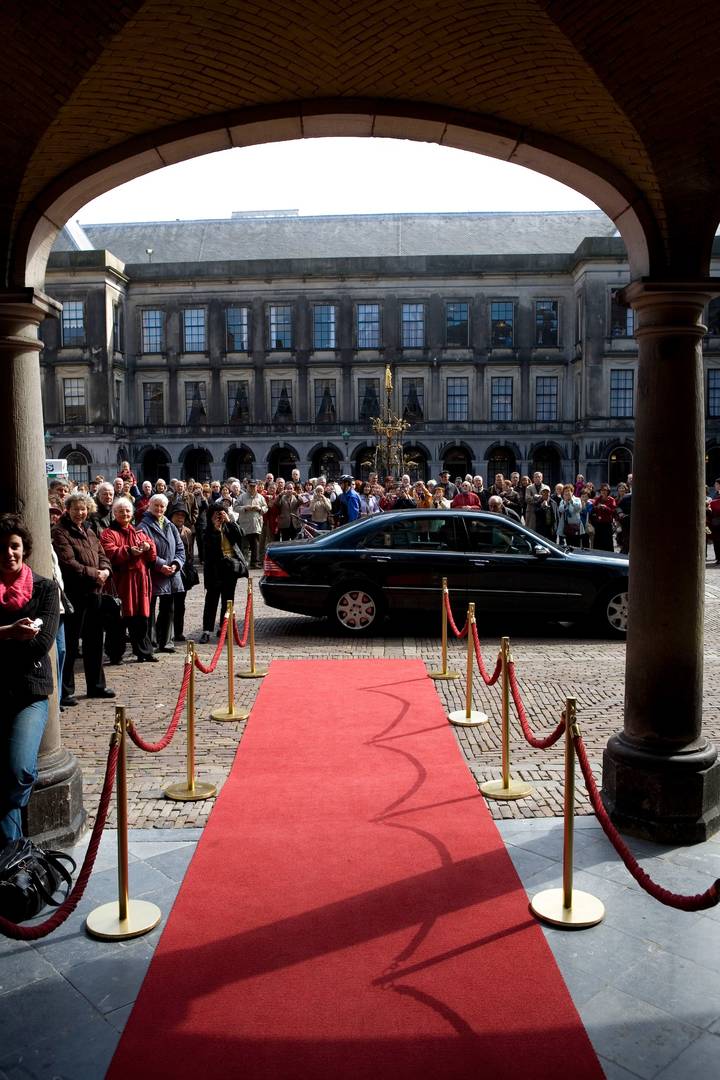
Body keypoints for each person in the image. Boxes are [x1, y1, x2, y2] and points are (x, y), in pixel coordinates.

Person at [0, 515, 60, 843]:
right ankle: (14, 858)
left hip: (29, 691)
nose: (9, 553)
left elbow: (40, 643)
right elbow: (25, 641)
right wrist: (10, 632)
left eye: (14, 546)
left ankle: (13, 852)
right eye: (3, 547)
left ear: (24, 549)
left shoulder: (45, 589)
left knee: (17, 770)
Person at [52, 492, 114, 704]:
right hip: (75, 594)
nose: (80, 513)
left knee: (95, 641)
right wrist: (94, 573)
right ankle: (66, 690)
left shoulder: (89, 531)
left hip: (95, 592)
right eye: (76, 509)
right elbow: (68, 563)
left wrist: (105, 570)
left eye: (84, 509)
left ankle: (96, 685)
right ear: (68, 510)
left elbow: (102, 554)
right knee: (69, 643)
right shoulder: (60, 532)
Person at [100, 497, 158, 662]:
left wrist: (148, 548)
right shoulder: (108, 533)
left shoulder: (138, 532)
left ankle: (144, 652)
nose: (124, 514)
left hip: (140, 582)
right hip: (121, 583)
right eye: (120, 511)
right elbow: (109, 552)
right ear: (114, 514)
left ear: (132, 514)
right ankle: (115, 653)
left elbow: (152, 554)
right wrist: (128, 551)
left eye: (127, 511)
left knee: (141, 618)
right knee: (118, 620)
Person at [139, 493, 186, 653]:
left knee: (168, 608)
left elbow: (180, 548)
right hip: (153, 573)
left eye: (162, 506)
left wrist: (175, 564)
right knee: (150, 610)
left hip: (171, 574)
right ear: (149, 506)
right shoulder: (143, 526)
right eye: (156, 505)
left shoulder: (170, 525)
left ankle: (166, 641)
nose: (159, 509)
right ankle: (150, 642)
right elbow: (144, 553)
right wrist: (161, 565)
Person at [200, 504, 248, 643]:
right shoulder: (207, 529)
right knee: (211, 600)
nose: (218, 517)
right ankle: (207, 630)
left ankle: (224, 627)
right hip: (214, 570)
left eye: (220, 514)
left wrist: (230, 521)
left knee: (228, 600)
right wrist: (215, 530)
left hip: (229, 568)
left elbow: (241, 537)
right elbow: (210, 549)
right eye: (215, 514)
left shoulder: (229, 526)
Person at [170, 506, 196, 642]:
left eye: (183, 516)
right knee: (169, 604)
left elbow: (190, 552)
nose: (180, 518)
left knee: (180, 603)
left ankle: (178, 632)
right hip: (170, 569)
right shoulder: (167, 529)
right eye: (177, 515)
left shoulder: (187, 531)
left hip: (184, 571)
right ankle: (165, 634)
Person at [234, 479, 267, 567]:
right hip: (245, 525)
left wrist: (259, 509)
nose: (252, 488)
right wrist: (245, 508)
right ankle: (244, 562)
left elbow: (265, 508)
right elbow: (235, 508)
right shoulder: (242, 496)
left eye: (254, 486)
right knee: (244, 545)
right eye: (250, 486)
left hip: (256, 524)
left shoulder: (260, 497)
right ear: (247, 486)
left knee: (255, 545)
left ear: (257, 487)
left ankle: (254, 562)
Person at [589, 483, 616, 552]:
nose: (603, 491)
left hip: (607, 524)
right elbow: (593, 509)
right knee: (598, 541)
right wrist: (597, 507)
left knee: (608, 541)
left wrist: (606, 507)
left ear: (608, 491)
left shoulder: (611, 500)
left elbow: (613, 511)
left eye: (605, 490)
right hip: (598, 524)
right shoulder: (597, 499)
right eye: (602, 490)